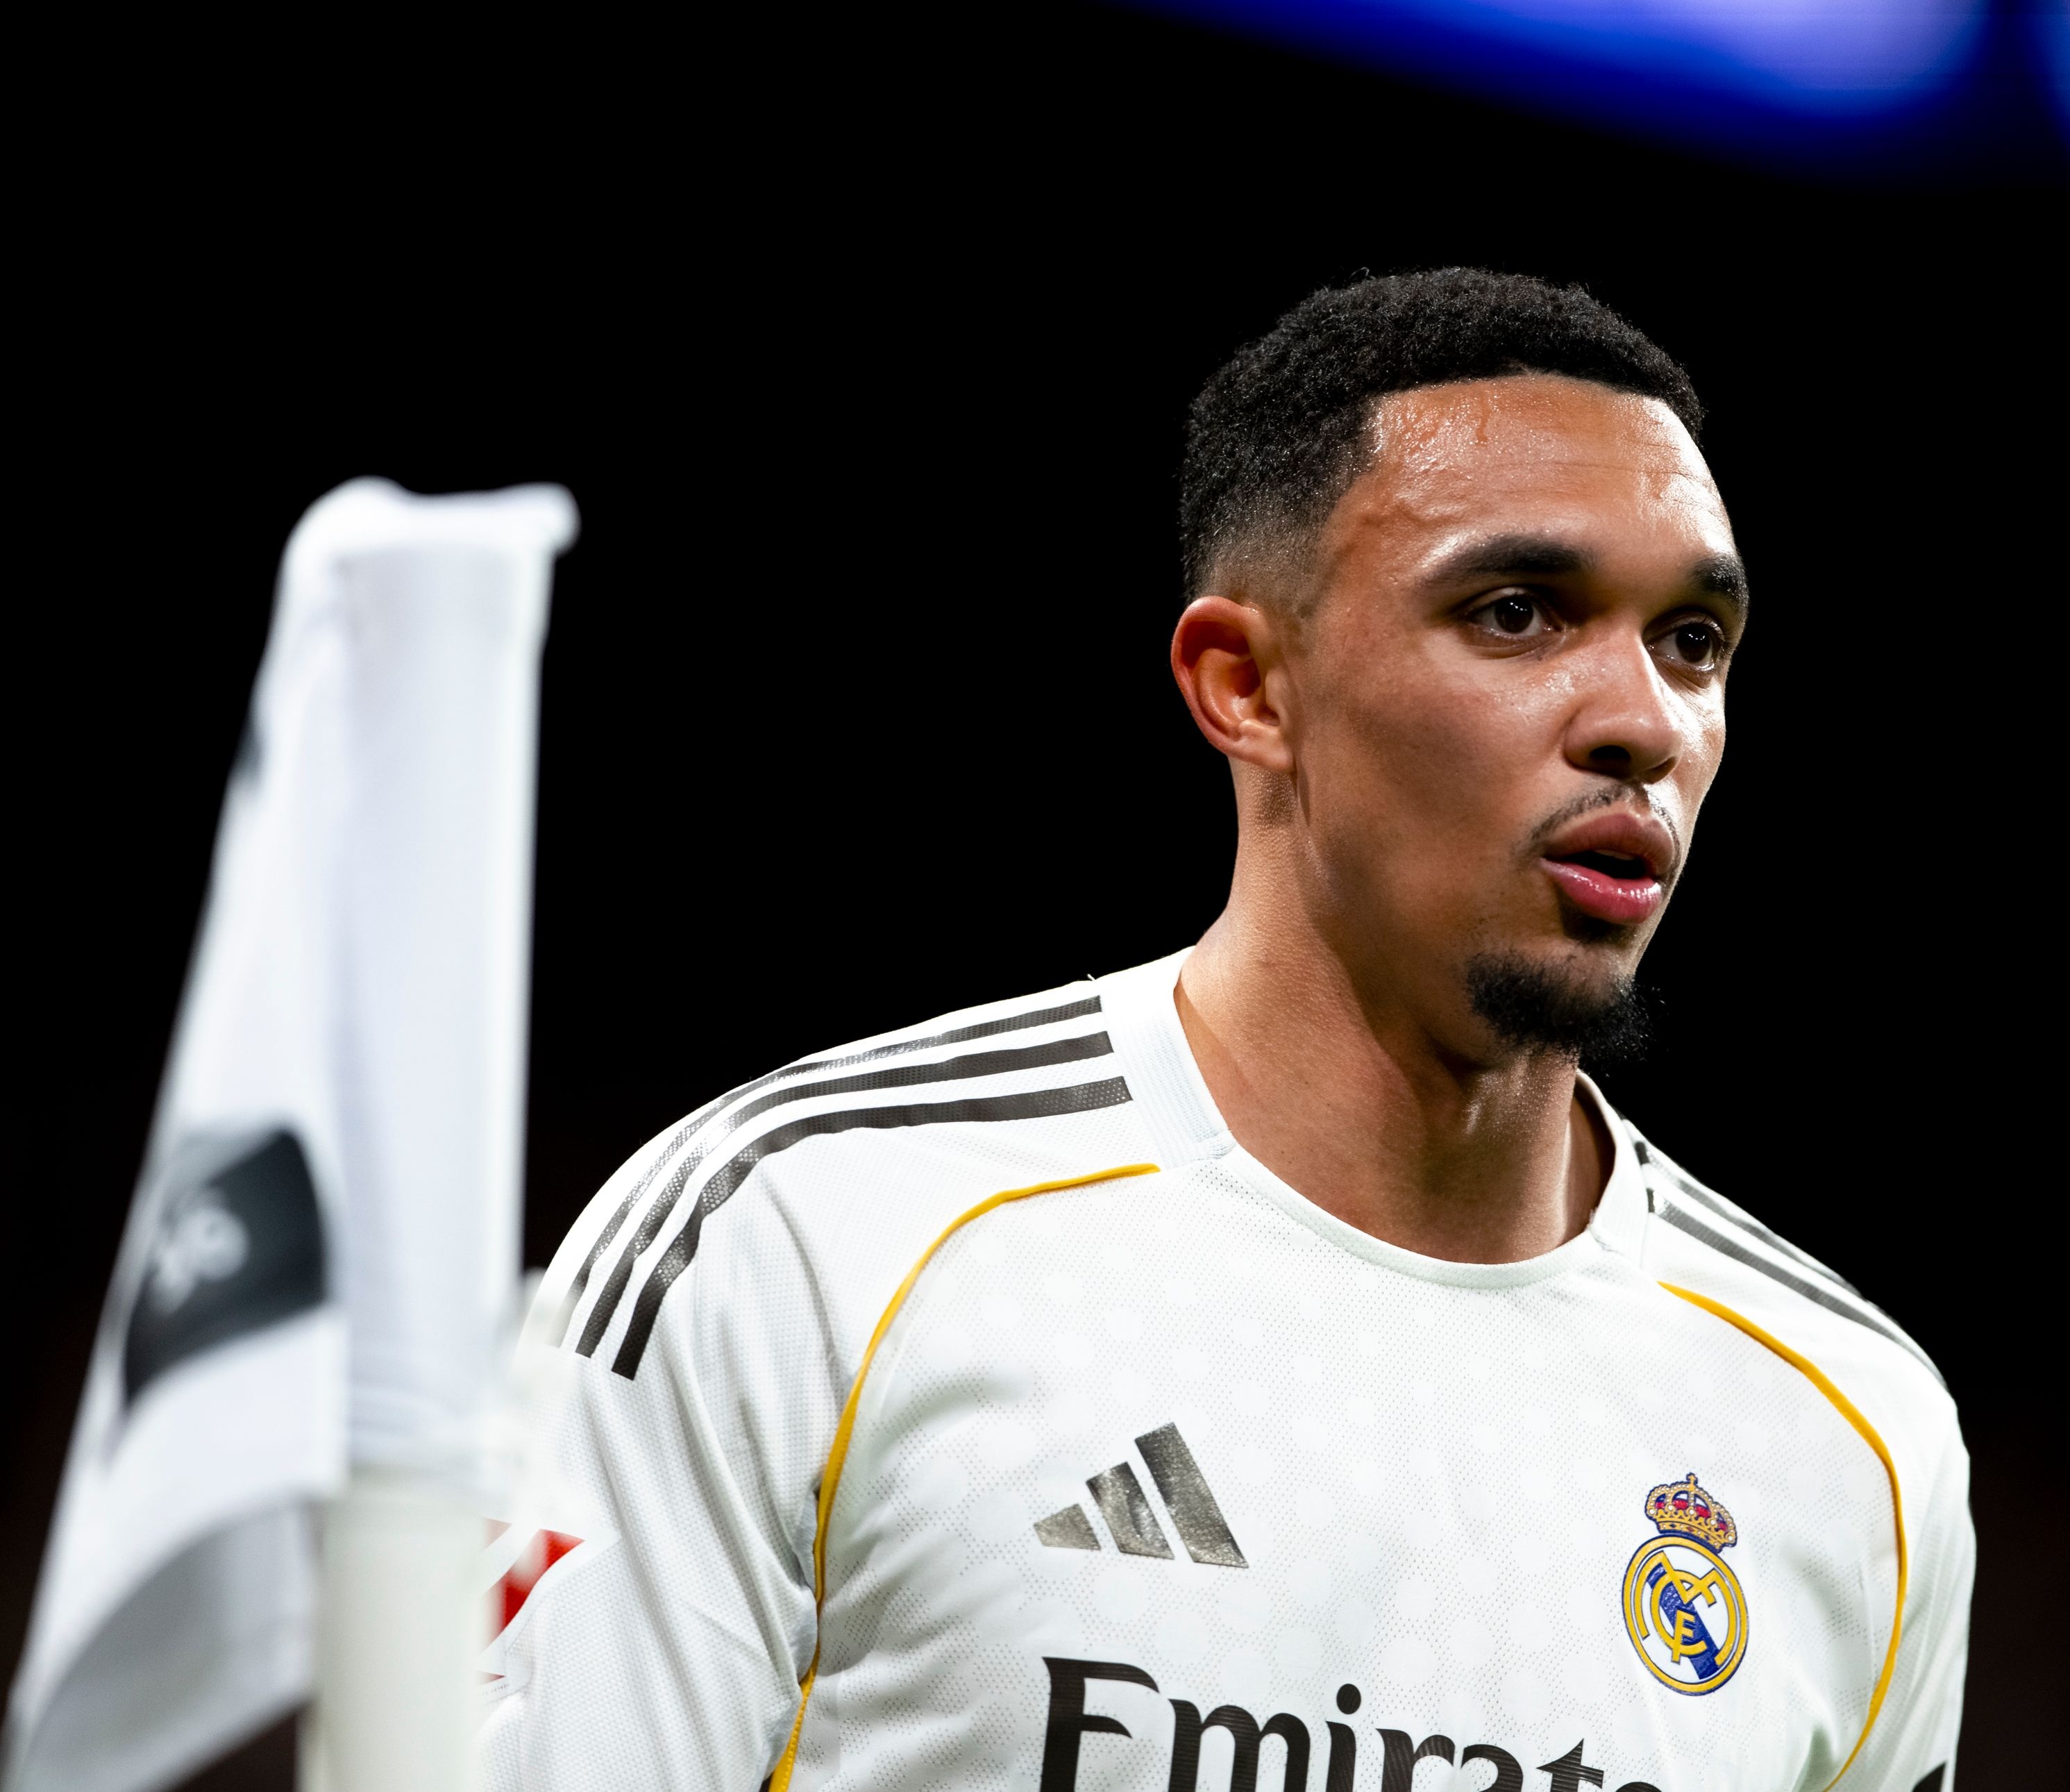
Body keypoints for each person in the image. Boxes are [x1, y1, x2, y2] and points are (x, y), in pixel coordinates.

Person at [485, 269, 1971, 1792]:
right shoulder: (803, 1242)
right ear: (1247, 684)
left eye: (1694, 640)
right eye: (1517, 614)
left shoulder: (1850, 1436)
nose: (1643, 721)